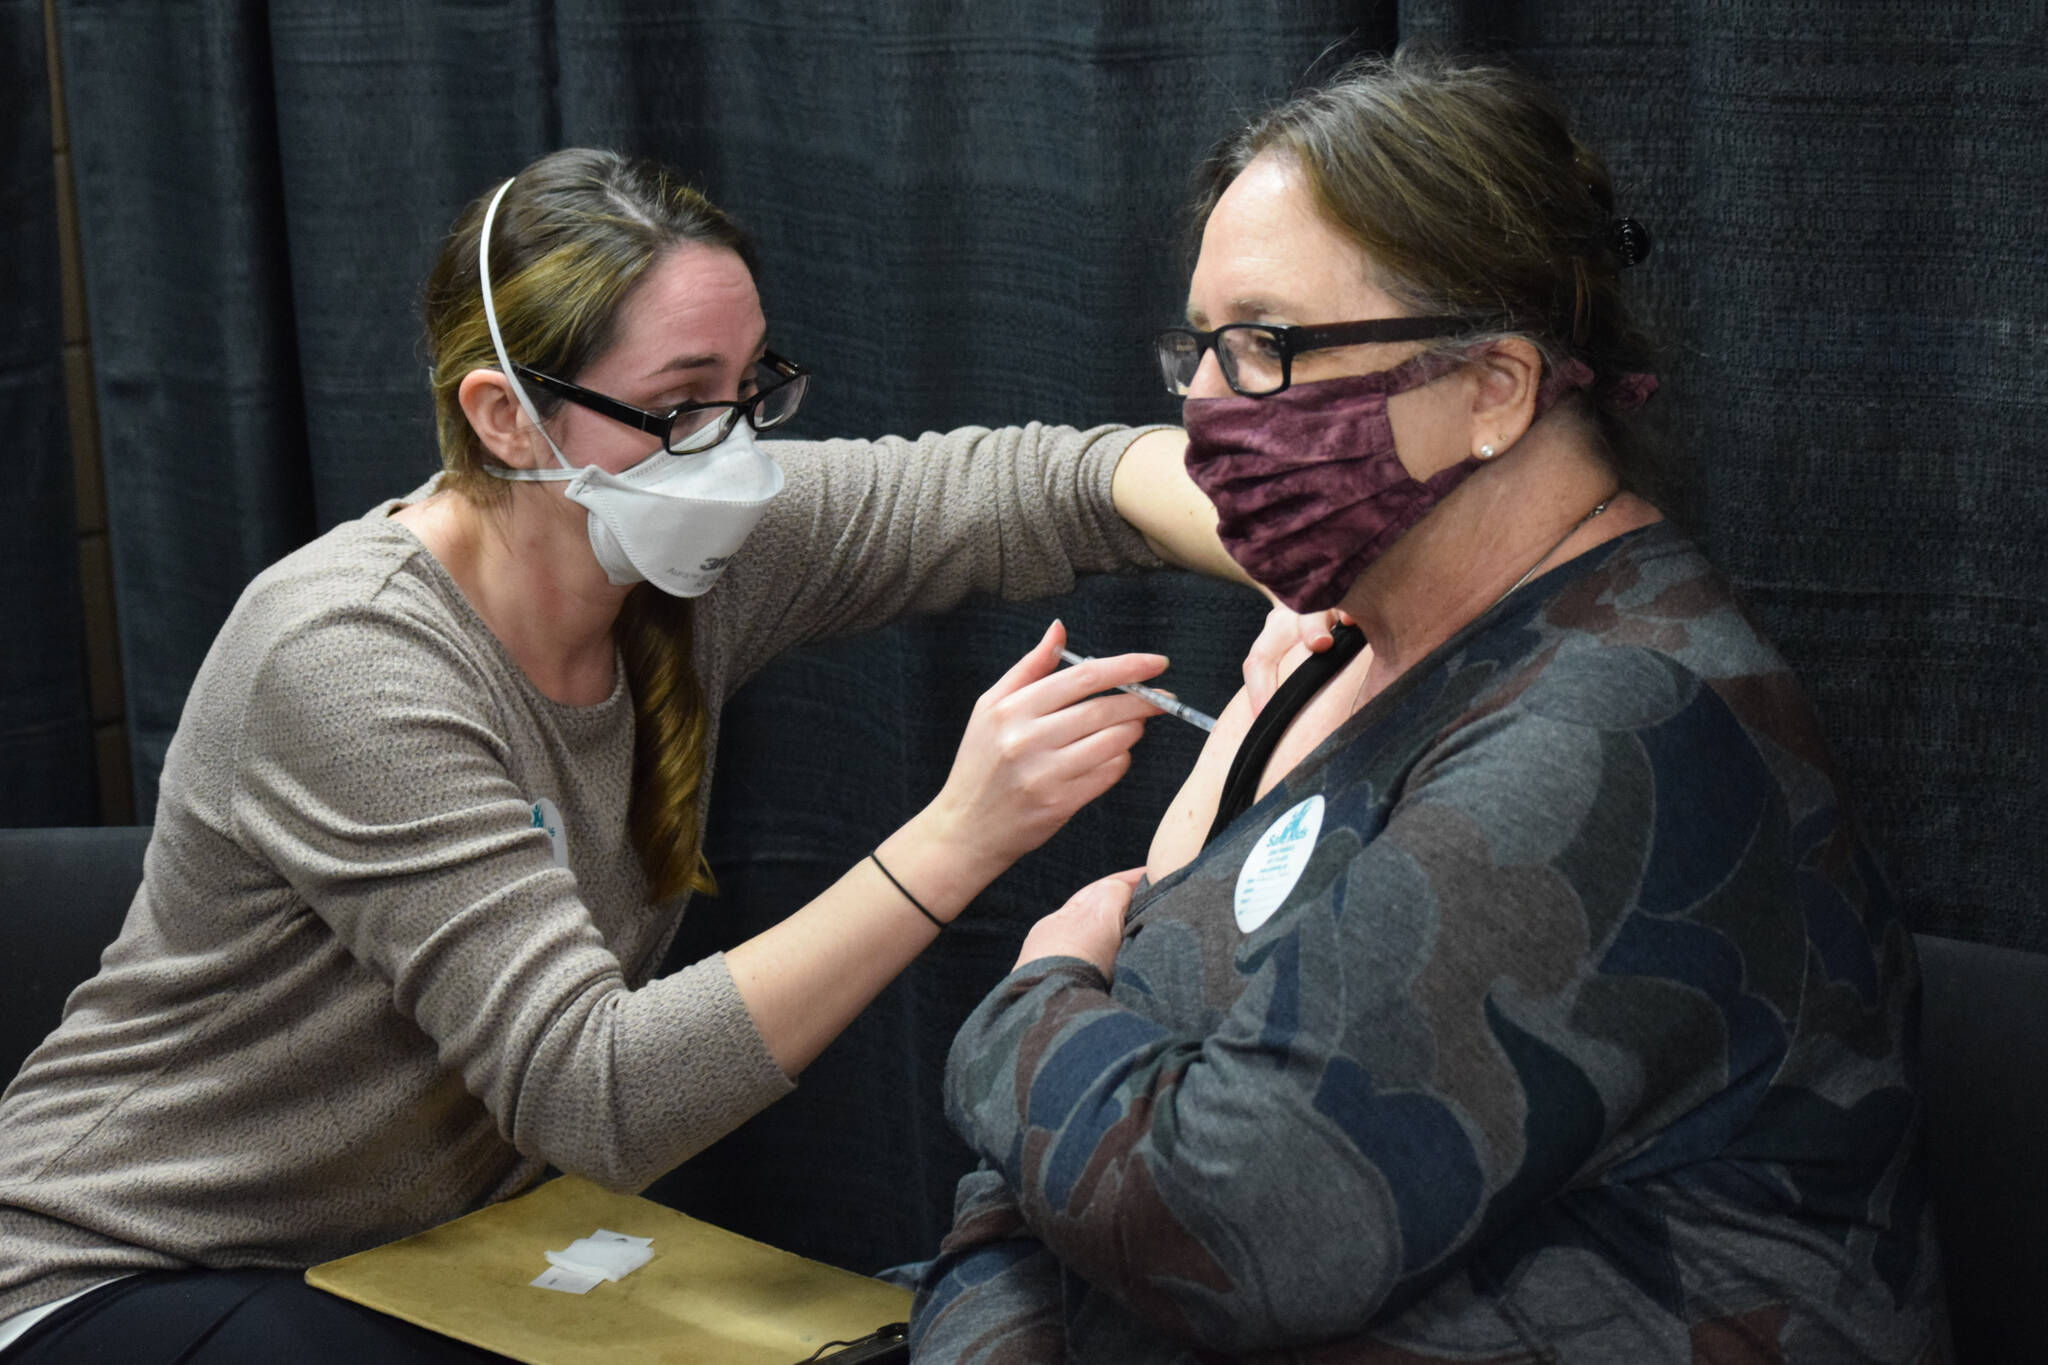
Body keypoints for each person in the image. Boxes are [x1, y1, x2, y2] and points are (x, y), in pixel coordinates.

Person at [0, 147, 1262, 1363]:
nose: (730, 451)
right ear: (503, 417)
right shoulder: (350, 660)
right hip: (127, 1270)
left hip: (417, 1257)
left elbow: (1056, 485)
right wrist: (959, 836)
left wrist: (1294, 528)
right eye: (675, 407)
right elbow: (593, 1095)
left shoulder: (672, 554)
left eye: (749, 390)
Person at [913, 49, 1951, 1363]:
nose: (1202, 405)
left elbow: (1231, 1226)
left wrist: (1032, 990)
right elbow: (1062, 1173)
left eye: (1266, 348)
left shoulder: (1625, 721)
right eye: (1200, 348)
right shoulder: (1336, 662)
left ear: (1494, 388)